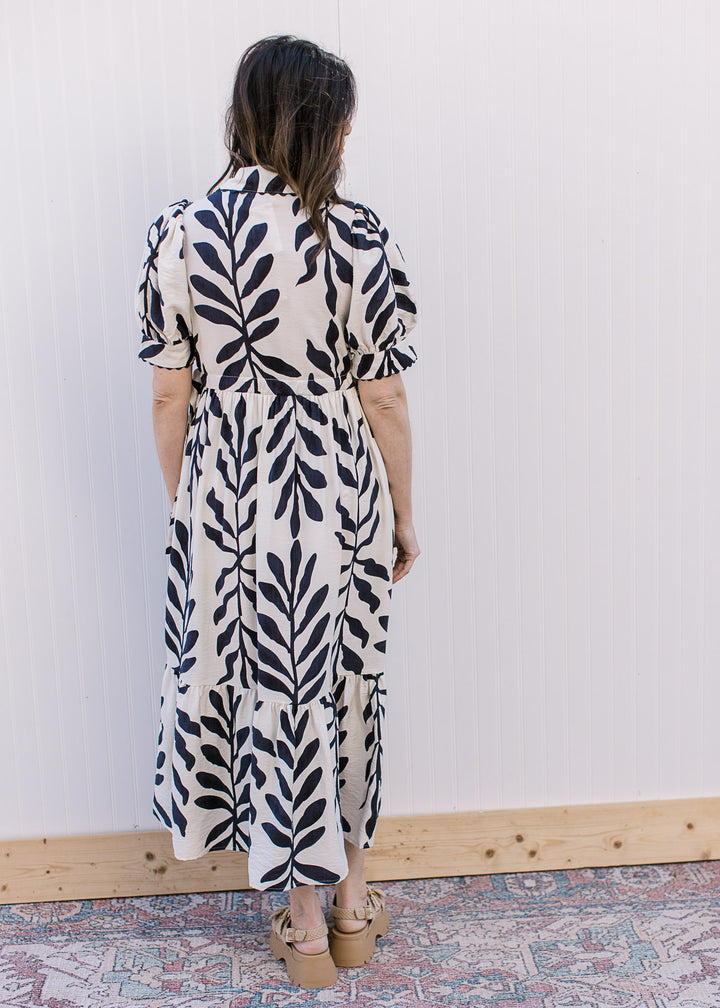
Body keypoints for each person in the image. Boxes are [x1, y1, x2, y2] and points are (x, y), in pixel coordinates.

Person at [134, 34, 420, 989]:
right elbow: (384, 397)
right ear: (321, 123)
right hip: (336, 486)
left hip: (230, 492)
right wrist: (404, 514)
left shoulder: (181, 230)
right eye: (342, 118)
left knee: (266, 690)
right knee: (343, 682)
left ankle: (299, 928)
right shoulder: (364, 235)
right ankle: (351, 903)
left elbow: (170, 393)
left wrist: (191, 505)